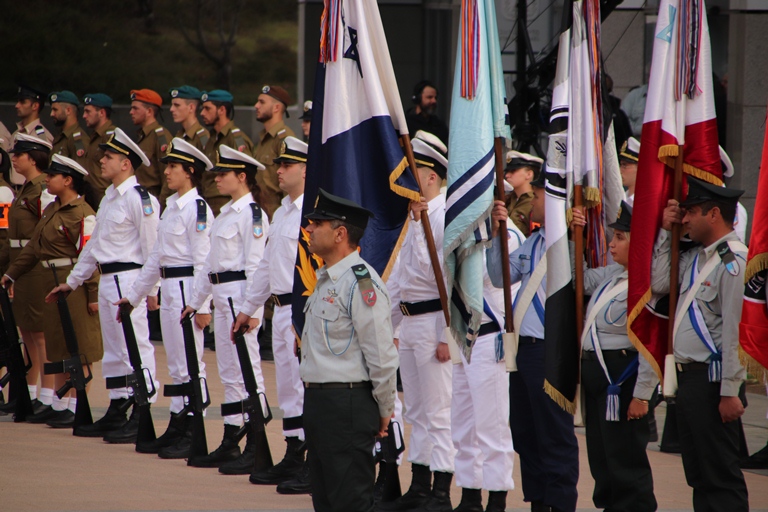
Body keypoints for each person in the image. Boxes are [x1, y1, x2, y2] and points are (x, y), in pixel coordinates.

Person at [46, 127, 160, 443]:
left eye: (108, 157)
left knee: (135, 346)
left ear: (125, 163)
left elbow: (153, 248)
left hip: (131, 279)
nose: (102, 161)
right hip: (109, 278)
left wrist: (151, 291)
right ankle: (119, 404)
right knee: (114, 350)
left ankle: (142, 409)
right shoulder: (110, 197)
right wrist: (72, 282)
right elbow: (94, 245)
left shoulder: (140, 199)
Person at [651, 177, 749, 511]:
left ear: (714, 215)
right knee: (699, 475)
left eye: (691, 212)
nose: (685, 218)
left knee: (719, 476)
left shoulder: (733, 262)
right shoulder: (697, 257)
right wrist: (667, 232)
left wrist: (730, 390)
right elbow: (660, 281)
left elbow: (736, 332)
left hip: (713, 382)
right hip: (690, 381)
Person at [300, 188, 399, 512]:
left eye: (318, 224)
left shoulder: (361, 283)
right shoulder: (326, 280)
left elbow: (381, 356)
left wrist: (385, 409)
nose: (309, 229)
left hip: (348, 405)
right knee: (325, 500)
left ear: (340, 234)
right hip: (319, 403)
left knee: (349, 501)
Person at [115, 138, 213, 458]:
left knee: (191, 361)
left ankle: (193, 426)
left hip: (187, 288)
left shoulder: (197, 208)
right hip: (171, 287)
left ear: (190, 171)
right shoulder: (171, 206)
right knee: (176, 361)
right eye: (167, 166)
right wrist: (134, 296)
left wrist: (202, 305)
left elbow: (204, 261)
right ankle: (178, 420)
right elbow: (156, 257)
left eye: (173, 166)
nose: (167, 171)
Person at [487, 172, 579, 512]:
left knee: (554, 435)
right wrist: (497, 233)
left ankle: (561, 504)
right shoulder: (535, 239)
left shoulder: (573, 241)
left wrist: (578, 230)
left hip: (550, 350)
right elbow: (500, 276)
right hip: (523, 351)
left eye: (538, 195)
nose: (533, 200)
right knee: (526, 434)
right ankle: (539, 503)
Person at [227, 136, 309, 484]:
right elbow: (265, 266)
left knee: (305, 387)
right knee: (287, 388)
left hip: (305, 309)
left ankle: (310, 460)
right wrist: (248, 308)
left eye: (287, 165)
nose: (279, 170)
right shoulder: (282, 212)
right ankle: (294, 451)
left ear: (306, 170)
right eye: (279, 164)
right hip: (282, 309)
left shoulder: (312, 211)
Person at [182, 144, 270, 469]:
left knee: (249, 371)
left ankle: (256, 443)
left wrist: (254, 312)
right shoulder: (224, 214)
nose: (217, 179)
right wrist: (195, 302)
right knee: (229, 372)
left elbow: (257, 266)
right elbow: (210, 264)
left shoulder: (252, 215)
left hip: (240, 297)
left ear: (242, 176)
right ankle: (232, 438)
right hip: (222, 297)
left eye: (224, 173)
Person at [382, 131, 454, 511]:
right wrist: (386, 326)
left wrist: (447, 335)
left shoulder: (442, 216)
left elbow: (445, 279)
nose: (408, 181)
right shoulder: (414, 217)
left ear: (431, 176)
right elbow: (399, 281)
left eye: (414, 172)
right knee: (416, 412)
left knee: (438, 413)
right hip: (410, 323)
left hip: (433, 322)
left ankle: (441, 493)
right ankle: (420, 487)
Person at [570, 201, 658, 512]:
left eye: (620, 237)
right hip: (599, 380)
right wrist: (575, 236)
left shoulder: (649, 282)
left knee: (625, 459)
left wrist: (643, 395)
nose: (611, 244)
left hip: (622, 379)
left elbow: (650, 342)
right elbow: (577, 279)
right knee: (602, 458)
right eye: (613, 236)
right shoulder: (612, 274)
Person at [2, 155, 101, 429]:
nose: (46, 179)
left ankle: (76, 406)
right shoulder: (51, 209)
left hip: (75, 284)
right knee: (58, 344)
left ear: (68, 181)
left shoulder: (84, 213)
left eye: (52, 176)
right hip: (51, 282)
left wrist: (93, 296)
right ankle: (59, 404)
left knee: (79, 346)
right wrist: (10, 274)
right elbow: (33, 248)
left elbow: (91, 257)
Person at [0, 135, 56, 420]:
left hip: (34, 267)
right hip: (21, 266)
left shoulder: (43, 189)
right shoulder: (24, 189)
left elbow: (45, 231)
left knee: (41, 334)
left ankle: (47, 397)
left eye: (19, 154)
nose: (14, 158)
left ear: (33, 159)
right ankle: (30, 395)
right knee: (29, 334)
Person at [200, 89, 254, 216]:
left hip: (226, 202)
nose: (202, 113)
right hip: (208, 201)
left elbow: (246, 176)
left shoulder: (235, 139)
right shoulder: (212, 138)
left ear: (222, 110)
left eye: (207, 108)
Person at [253, 84, 295, 218]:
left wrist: (286, 217)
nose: (256, 106)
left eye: (262, 102)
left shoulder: (285, 138)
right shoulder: (264, 138)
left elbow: (291, 183)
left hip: (275, 214)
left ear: (276, 107)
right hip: (260, 213)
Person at [129, 88, 173, 205]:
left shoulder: (160, 137)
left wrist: (161, 206)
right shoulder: (142, 135)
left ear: (149, 111)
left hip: (153, 199)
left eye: (135, 108)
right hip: (139, 198)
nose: (131, 112)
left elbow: (168, 176)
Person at [11, 85, 53, 187]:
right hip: (13, 190)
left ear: (35, 106)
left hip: (32, 189)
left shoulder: (41, 136)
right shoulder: (16, 133)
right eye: (17, 101)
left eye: (22, 102)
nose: (17, 105)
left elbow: (45, 169)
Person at [81, 93, 116, 204]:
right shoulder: (94, 136)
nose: (84, 116)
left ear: (101, 113)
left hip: (105, 199)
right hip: (91, 198)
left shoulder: (111, 136)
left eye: (88, 112)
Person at [504, 151, 543, 237]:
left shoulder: (535, 203)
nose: (507, 175)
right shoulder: (507, 200)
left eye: (513, 171)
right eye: (507, 171)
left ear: (529, 174)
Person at [49, 91, 87, 166]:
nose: (51, 114)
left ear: (68, 110)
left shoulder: (78, 140)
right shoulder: (61, 136)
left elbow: (79, 170)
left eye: (55, 110)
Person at [405, 81, 449, 145]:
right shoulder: (406, 123)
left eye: (435, 98)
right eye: (429, 97)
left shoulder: (440, 126)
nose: (434, 101)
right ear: (418, 98)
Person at [169, 86, 209, 151]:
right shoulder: (179, 135)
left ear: (191, 107)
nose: (171, 109)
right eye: (172, 105)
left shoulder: (202, 138)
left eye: (177, 105)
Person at [619, 137, 640, 206]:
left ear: (639, 168)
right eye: (621, 165)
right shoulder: (621, 198)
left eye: (624, 165)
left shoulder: (645, 202)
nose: (619, 171)